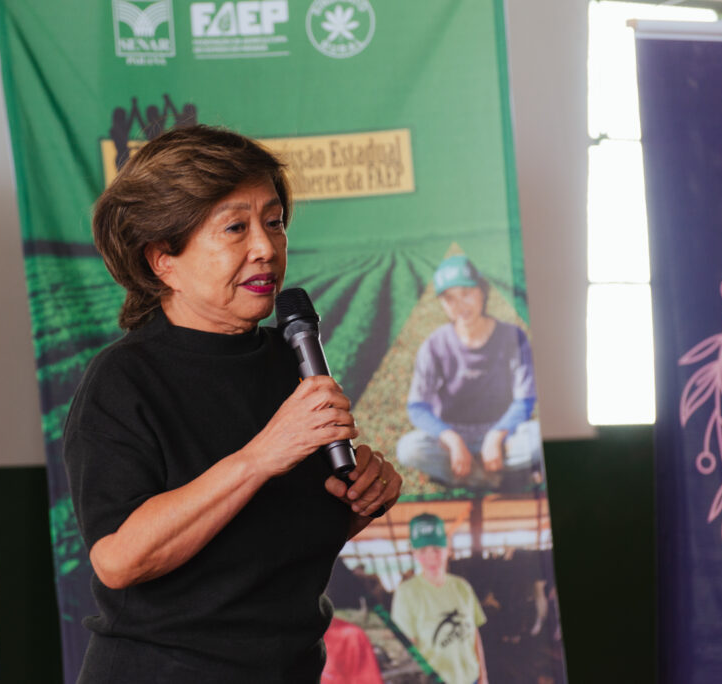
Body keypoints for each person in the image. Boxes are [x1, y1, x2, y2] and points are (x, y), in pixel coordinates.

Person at [63, 124, 403, 683]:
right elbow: (120, 559)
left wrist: (356, 502)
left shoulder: (290, 359)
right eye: (235, 228)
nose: (266, 248)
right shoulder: (124, 380)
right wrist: (261, 456)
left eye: (274, 222)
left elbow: (257, 549)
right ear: (162, 260)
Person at [396, 255, 541, 491]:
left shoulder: (512, 338)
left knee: (535, 437)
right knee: (409, 448)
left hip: (502, 432)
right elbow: (417, 406)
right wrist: (451, 439)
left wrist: (496, 435)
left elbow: (524, 399)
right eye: (450, 299)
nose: (460, 305)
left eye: (466, 293)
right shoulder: (435, 344)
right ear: (443, 304)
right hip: (454, 433)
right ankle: (492, 478)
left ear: (482, 291)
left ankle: (468, 475)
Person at [391, 514, 488, 684]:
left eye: (436, 549)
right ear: (414, 553)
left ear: (447, 549)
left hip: (471, 678)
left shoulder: (462, 587)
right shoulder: (406, 593)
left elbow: (474, 634)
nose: (431, 557)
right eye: (422, 551)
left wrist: (483, 676)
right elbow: (406, 651)